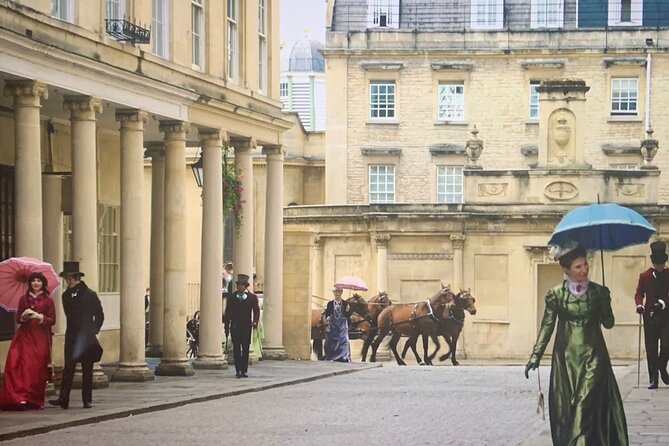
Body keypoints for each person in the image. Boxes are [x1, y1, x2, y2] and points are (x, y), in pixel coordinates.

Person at [524, 245, 628, 445]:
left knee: (583, 401)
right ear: (566, 269)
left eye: (586, 265)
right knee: (568, 409)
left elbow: (609, 323)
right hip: (566, 360)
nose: (584, 270)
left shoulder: (598, 292)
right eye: (578, 266)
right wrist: (535, 356)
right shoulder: (556, 294)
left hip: (594, 356)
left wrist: (606, 304)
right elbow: (547, 326)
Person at [49, 261, 104, 409]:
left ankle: (87, 399)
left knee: (87, 369)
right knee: (69, 368)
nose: (68, 281)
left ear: (76, 278)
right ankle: (63, 398)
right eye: (66, 279)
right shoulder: (66, 295)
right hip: (72, 336)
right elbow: (69, 315)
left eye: (69, 278)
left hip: (86, 337)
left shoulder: (90, 294)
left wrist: (94, 329)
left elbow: (99, 314)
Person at [0, 273, 56, 411]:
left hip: (40, 337)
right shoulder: (23, 299)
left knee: (36, 368)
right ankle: (21, 397)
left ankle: (35, 399)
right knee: (21, 366)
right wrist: (24, 316)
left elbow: (52, 320)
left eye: (39, 281)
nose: (36, 283)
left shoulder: (48, 300)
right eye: (33, 281)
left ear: (43, 283)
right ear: (30, 283)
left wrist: (39, 316)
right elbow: (18, 318)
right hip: (25, 336)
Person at [634, 240, 669, 389]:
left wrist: (662, 302)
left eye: (661, 264)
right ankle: (653, 378)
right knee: (651, 348)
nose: (659, 266)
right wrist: (639, 305)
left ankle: (662, 367)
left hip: (666, 316)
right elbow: (638, 293)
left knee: (667, 345)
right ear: (653, 262)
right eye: (657, 264)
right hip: (650, 316)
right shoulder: (645, 275)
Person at [224, 273, 259, 378]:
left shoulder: (252, 298)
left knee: (245, 348)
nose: (240, 287)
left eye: (242, 285)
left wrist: (255, 322)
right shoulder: (232, 297)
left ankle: (244, 370)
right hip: (235, 326)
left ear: (246, 286)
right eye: (239, 285)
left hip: (246, 326)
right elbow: (228, 313)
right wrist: (226, 327)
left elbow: (256, 311)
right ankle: (238, 369)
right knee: (236, 349)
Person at [324, 287, 352, 362]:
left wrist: (347, 310)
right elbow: (328, 313)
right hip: (333, 323)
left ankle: (343, 356)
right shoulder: (330, 303)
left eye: (339, 295)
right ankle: (331, 356)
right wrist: (328, 317)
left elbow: (347, 315)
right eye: (336, 295)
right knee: (331, 339)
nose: (337, 297)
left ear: (341, 295)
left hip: (342, 323)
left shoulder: (345, 303)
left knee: (344, 339)